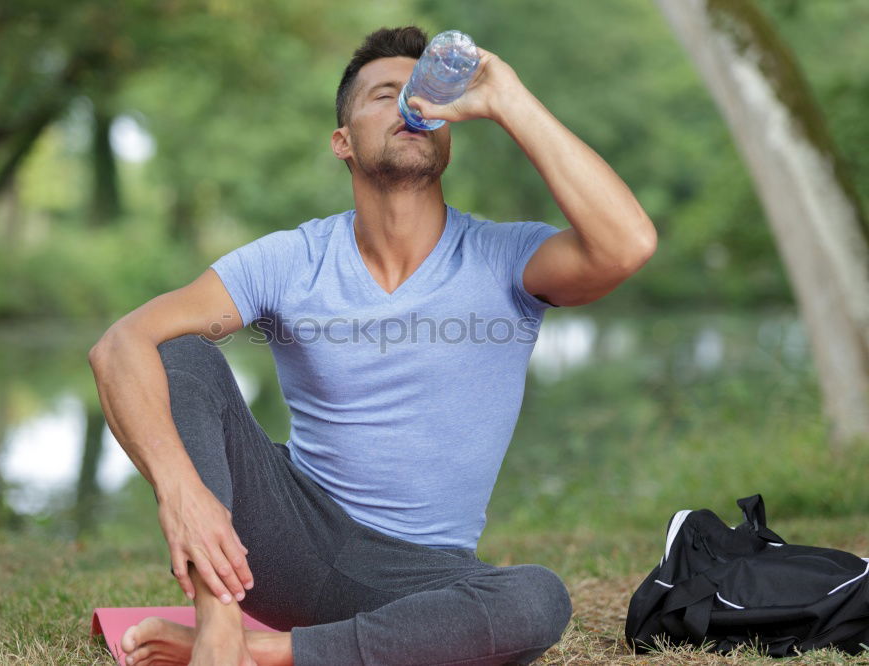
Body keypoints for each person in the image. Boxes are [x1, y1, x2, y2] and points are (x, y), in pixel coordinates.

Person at [89, 25, 656, 666]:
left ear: (447, 130)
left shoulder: (507, 259)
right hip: (287, 540)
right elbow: (119, 346)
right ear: (343, 143)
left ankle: (262, 654)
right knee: (181, 351)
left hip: (421, 578)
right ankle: (218, 625)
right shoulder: (293, 260)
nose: (410, 107)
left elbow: (627, 245)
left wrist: (509, 99)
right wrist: (183, 494)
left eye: (423, 95)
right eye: (385, 95)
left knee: (537, 600)